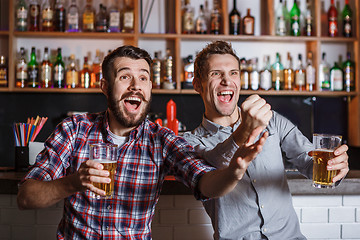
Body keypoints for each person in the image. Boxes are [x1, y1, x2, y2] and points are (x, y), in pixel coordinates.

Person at [17, 45, 268, 239]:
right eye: (125, 77)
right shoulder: (74, 129)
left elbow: (206, 183)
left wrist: (234, 171)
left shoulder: (162, 140)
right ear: (105, 86)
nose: (136, 86)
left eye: (144, 78)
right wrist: (73, 182)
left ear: (150, 87)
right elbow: (26, 197)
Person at [183, 40, 349, 240]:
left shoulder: (272, 120)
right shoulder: (190, 142)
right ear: (197, 84)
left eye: (233, 73)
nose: (227, 81)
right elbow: (215, 164)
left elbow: (308, 161)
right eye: (216, 74)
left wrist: (334, 168)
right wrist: (244, 131)